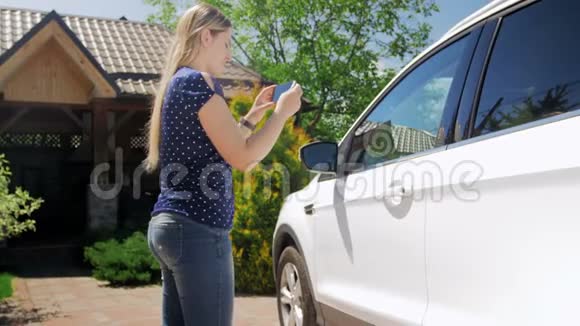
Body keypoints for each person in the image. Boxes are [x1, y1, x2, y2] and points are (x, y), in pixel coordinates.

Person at [143, 2, 303, 326]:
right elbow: (244, 158)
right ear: (206, 37)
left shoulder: (179, 83)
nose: (229, 54)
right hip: (199, 230)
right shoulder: (199, 82)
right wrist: (282, 113)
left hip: (170, 227)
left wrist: (251, 118)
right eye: (227, 42)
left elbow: (222, 148)